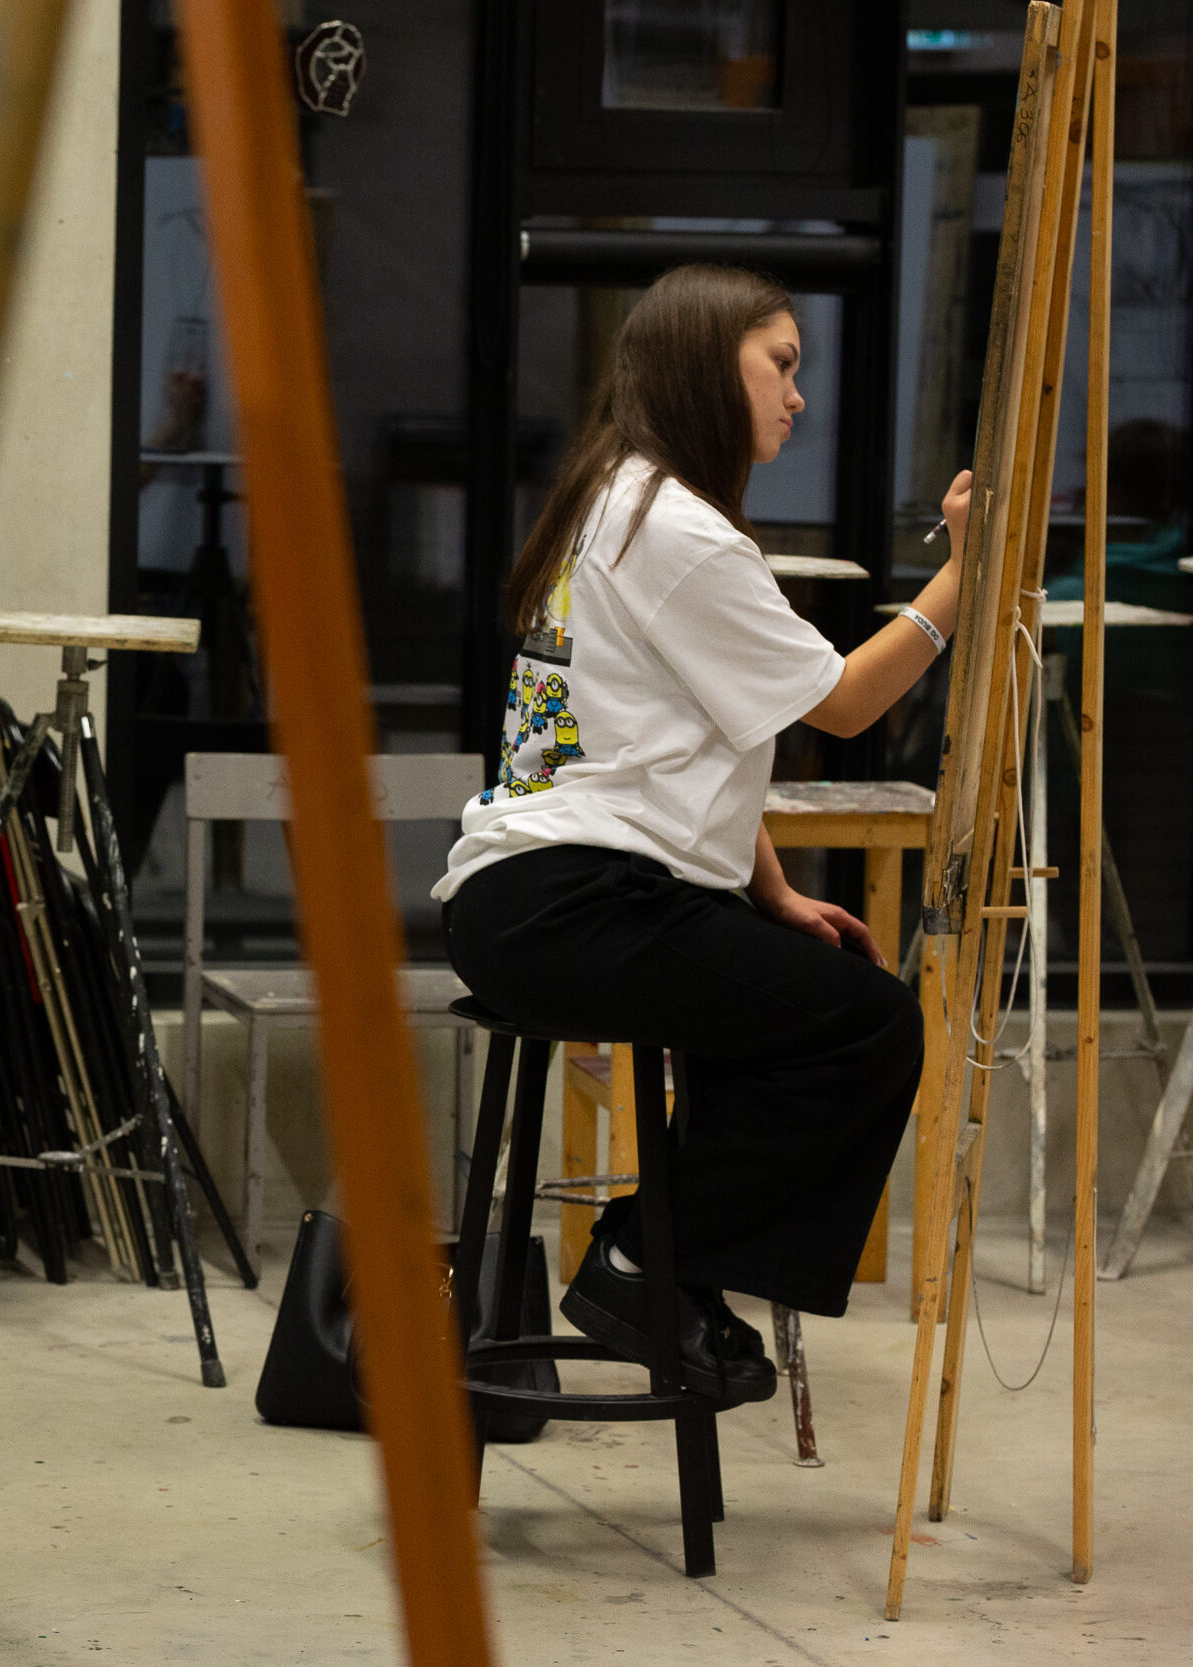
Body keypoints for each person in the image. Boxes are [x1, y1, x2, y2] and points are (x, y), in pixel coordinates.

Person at [433, 265, 971, 1399]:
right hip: (576, 902)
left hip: (524, 900)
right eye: (780, 365)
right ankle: (644, 1267)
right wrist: (962, 581)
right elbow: (842, 703)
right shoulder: (676, 529)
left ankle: (670, 1284)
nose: (797, 395)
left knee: (793, 1007)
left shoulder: (611, 499)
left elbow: (688, 737)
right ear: (703, 366)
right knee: (869, 1027)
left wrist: (768, 893)